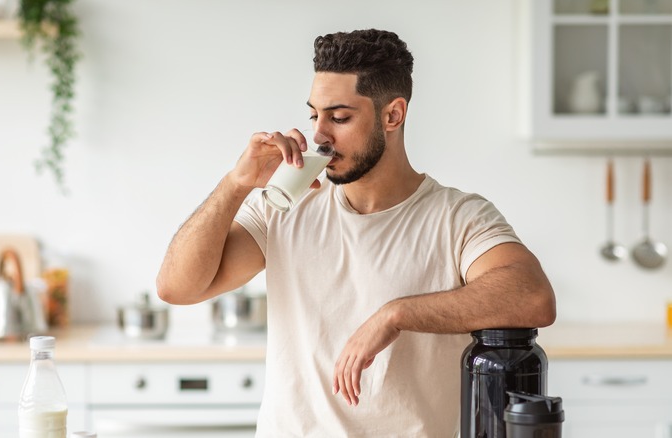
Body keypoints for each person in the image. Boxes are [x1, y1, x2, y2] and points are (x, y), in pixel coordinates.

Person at [157, 29, 556, 437]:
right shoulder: (286, 204)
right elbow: (177, 288)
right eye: (315, 115)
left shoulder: (457, 216)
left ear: (393, 115)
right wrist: (235, 184)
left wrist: (395, 314)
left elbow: (533, 297)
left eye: (340, 117)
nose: (319, 135)